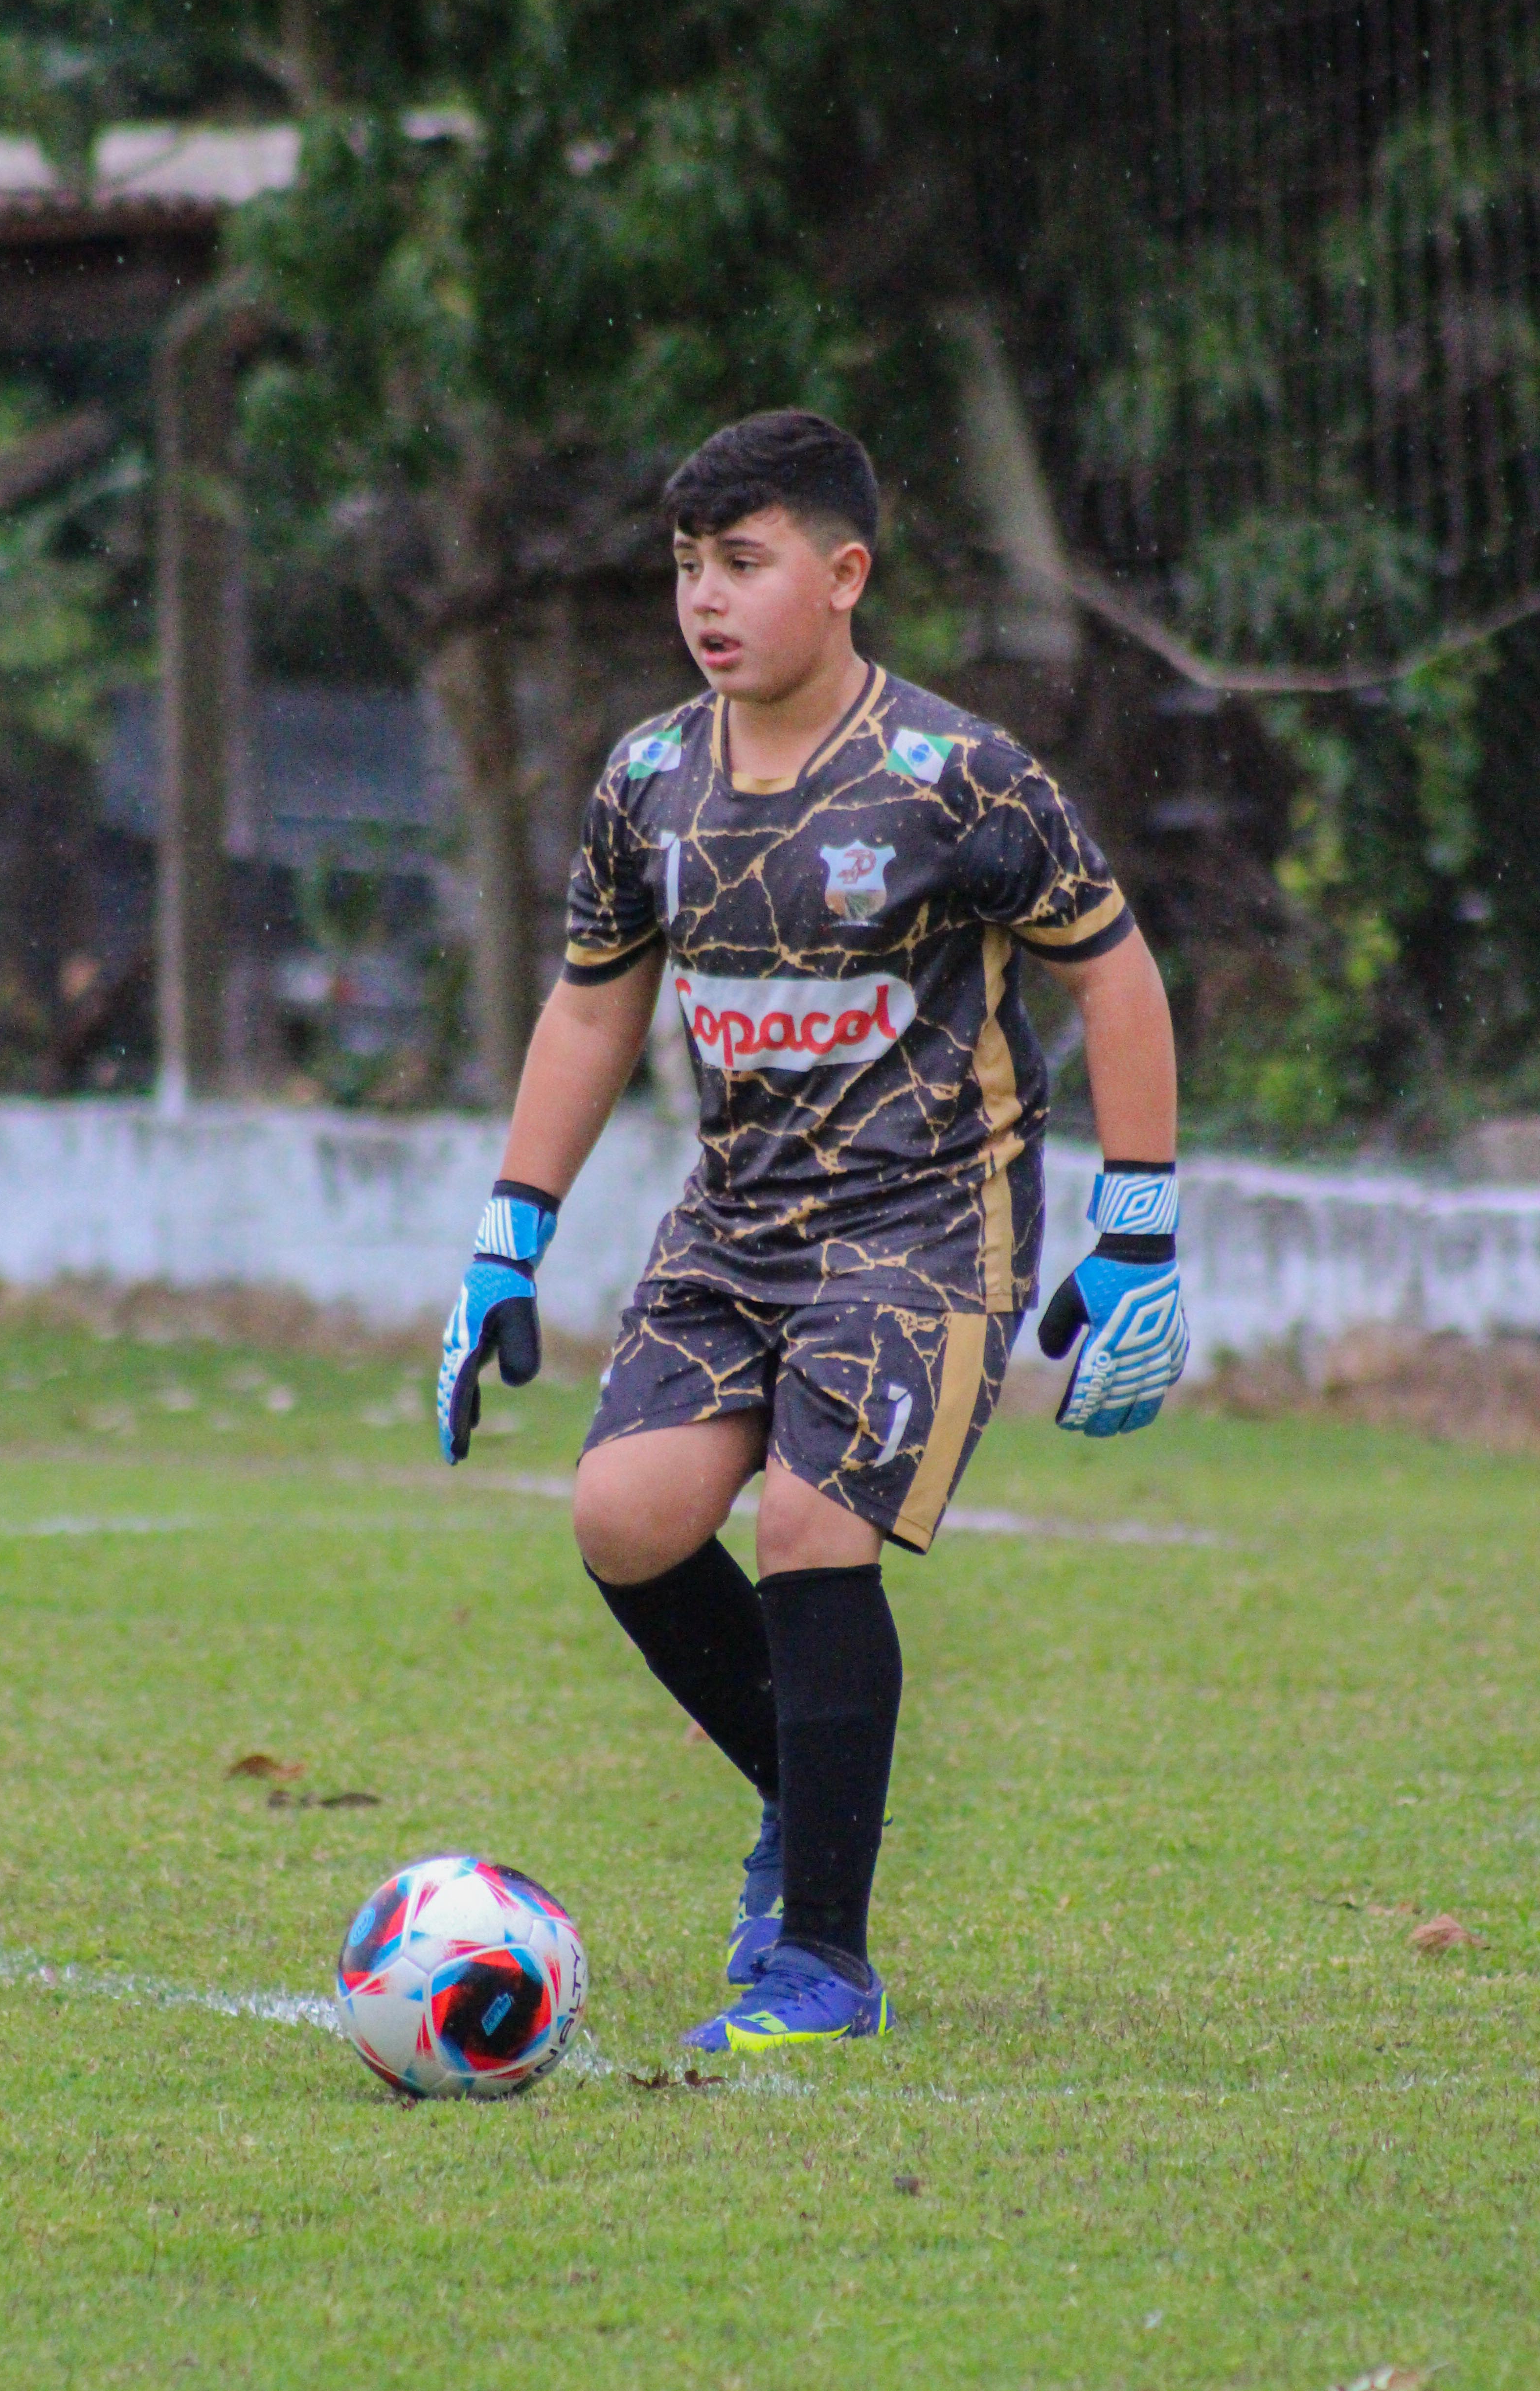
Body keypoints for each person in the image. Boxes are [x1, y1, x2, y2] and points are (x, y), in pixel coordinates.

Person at [436, 409, 1187, 2053]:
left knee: (807, 1528)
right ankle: (809, 1787)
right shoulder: (648, 780)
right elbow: (587, 1017)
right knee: (626, 1517)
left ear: (845, 578)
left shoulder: (957, 776)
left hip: (930, 1216)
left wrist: (1139, 1226)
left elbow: (1113, 970)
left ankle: (822, 1967)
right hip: (737, 1220)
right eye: (688, 567)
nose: (707, 600)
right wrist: (507, 1234)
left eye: (745, 564)